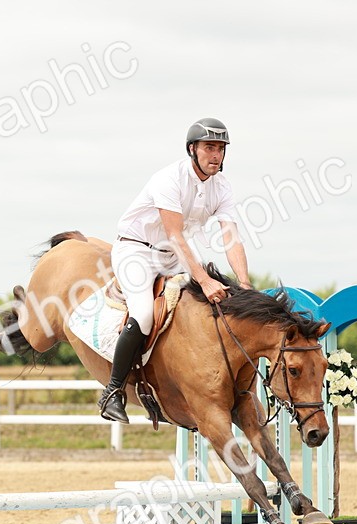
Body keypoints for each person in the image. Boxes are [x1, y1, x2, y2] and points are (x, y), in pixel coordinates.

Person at [99, 117, 254, 423]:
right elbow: (175, 235)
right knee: (144, 314)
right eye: (209, 147)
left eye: (221, 149)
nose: (216, 155)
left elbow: (230, 237)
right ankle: (112, 392)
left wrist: (245, 283)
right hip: (136, 251)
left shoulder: (222, 187)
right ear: (192, 149)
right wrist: (205, 279)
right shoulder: (169, 179)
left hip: (173, 256)